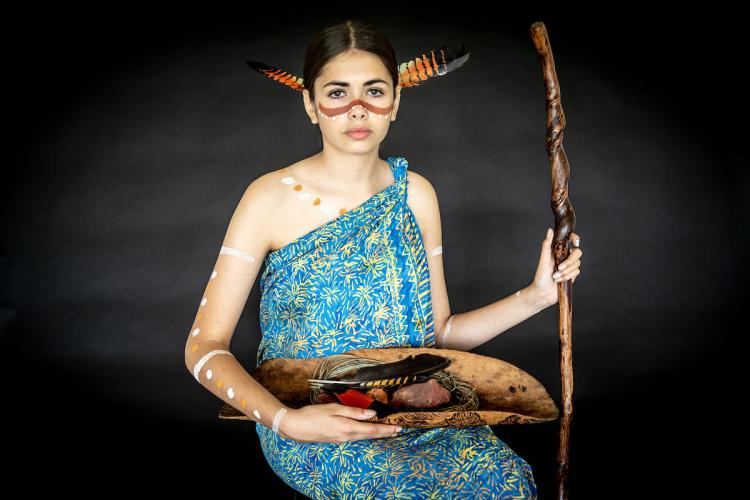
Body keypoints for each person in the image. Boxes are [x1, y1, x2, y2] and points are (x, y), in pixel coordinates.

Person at [184, 19, 583, 499]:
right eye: (336, 93)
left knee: (506, 479)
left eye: (373, 91)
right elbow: (203, 346)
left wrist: (537, 296)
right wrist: (287, 422)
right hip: (314, 422)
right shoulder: (268, 198)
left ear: (395, 101)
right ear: (310, 104)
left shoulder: (415, 195)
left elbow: (439, 334)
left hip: (417, 409)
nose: (357, 110)